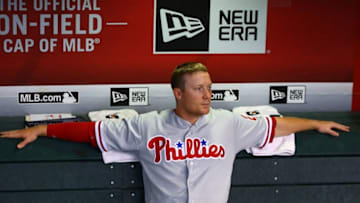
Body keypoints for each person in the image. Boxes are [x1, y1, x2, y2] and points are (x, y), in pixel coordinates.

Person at [0, 62, 350, 203]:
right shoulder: (146, 125)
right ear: (178, 93)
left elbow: (275, 126)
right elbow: (92, 132)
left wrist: (315, 124)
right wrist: (43, 129)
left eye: (210, 87)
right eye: (198, 89)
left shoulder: (229, 123)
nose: (207, 95)